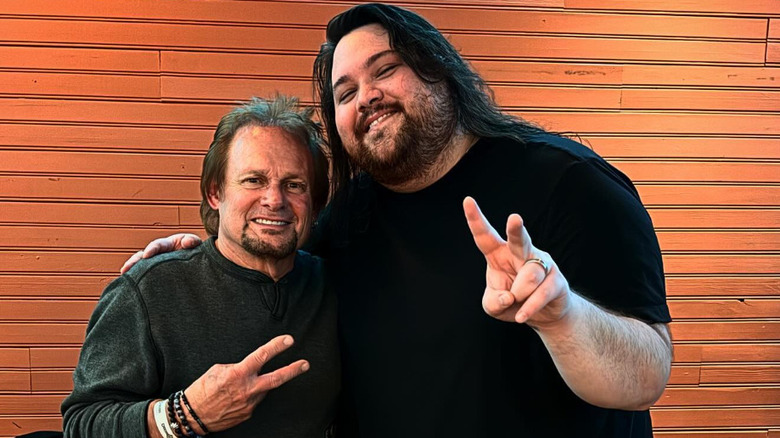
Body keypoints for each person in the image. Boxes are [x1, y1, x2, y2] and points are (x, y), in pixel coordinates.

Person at [123, 4, 673, 437]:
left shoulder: (570, 184)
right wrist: (208, 255)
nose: (367, 97)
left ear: (439, 71)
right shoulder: (348, 217)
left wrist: (561, 315)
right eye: (345, 93)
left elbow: (647, 375)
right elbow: (275, 255)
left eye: (385, 70)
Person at [62, 96, 339, 437]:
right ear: (214, 192)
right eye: (253, 180)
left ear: (315, 202)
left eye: (294, 185)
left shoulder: (336, 286)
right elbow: (82, 425)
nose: (274, 200)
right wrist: (181, 416)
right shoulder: (149, 291)